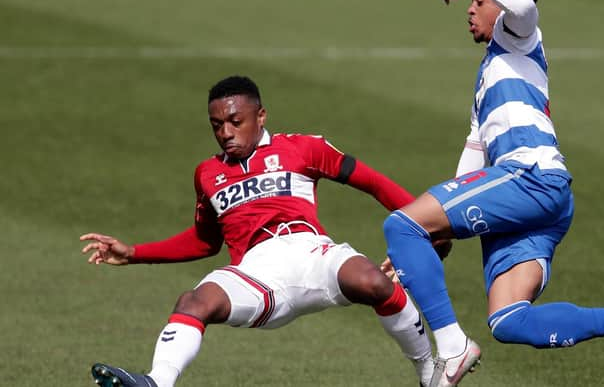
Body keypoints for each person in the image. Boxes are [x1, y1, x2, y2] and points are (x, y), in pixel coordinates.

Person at [81, 75, 438, 387]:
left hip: (312, 253)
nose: (226, 133)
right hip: (258, 274)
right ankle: (157, 381)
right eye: (216, 125)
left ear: (260, 116)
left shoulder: (303, 148)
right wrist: (134, 253)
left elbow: (373, 182)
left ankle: (430, 374)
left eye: (235, 121)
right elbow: (204, 241)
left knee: (375, 282)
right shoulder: (207, 174)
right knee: (193, 301)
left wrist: (426, 226)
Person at [382, 0, 604, 386]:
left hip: (530, 179)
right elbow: (474, 150)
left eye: (478, 0)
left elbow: (522, 1)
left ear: (500, 7)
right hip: (543, 199)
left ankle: (452, 348)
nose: (470, 9)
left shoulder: (519, 36)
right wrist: (440, 229)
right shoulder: (491, 72)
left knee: (401, 224)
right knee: (508, 320)